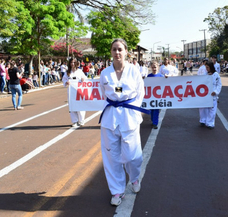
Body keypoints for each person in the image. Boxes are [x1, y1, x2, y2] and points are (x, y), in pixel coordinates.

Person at [99, 38, 148, 206]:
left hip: (129, 117)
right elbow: (102, 94)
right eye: (114, 49)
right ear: (111, 52)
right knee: (111, 157)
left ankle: (134, 179)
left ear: (126, 51)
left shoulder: (134, 71)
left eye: (120, 49)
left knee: (132, 157)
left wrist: (133, 110)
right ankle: (117, 191)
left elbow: (140, 93)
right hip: (110, 118)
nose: (117, 52)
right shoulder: (105, 73)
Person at [62, 58, 87, 127]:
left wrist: (83, 79)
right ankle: (75, 121)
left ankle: (81, 120)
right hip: (71, 92)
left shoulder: (79, 71)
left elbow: (85, 78)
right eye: (71, 62)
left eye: (74, 62)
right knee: (72, 106)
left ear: (76, 63)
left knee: (81, 106)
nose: (72, 64)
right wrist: (66, 82)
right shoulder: (67, 72)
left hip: (79, 91)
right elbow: (64, 80)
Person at [200, 61, 222, 129]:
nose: (206, 69)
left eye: (207, 67)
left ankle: (210, 123)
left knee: (212, 110)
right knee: (203, 108)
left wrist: (215, 92)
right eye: (206, 67)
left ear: (211, 67)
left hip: (213, 95)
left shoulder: (216, 75)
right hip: (205, 94)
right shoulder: (204, 74)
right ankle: (203, 120)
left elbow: (219, 84)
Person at [147, 61, 164, 129]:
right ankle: (153, 120)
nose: (154, 68)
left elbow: (166, 83)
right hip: (151, 95)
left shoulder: (161, 76)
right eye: (153, 67)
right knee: (152, 110)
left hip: (158, 96)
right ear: (151, 67)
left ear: (158, 67)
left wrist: (166, 78)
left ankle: (155, 123)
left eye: (155, 67)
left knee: (156, 109)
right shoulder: (149, 76)